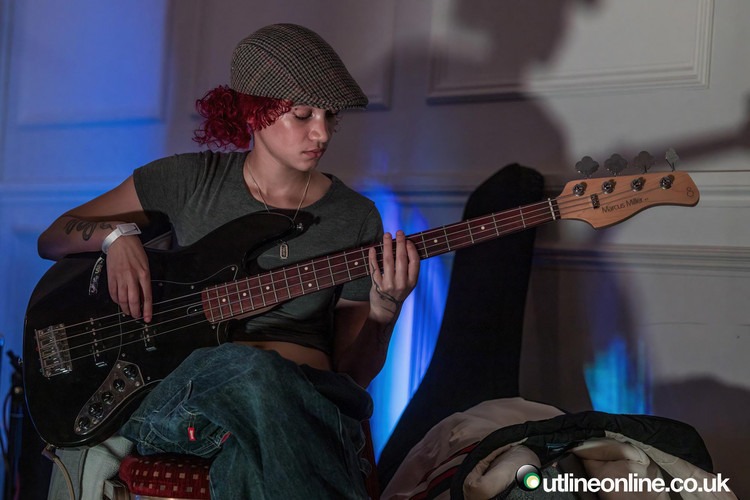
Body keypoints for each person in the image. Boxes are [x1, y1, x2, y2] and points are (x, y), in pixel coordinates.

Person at [38, 23, 420, 499]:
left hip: (306, 401)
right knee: (255, 371)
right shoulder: (188, 180)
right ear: (255, 112)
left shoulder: (355, 216)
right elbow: (53, 236)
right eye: (302, 114)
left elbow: (351, 376)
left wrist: (385, 313)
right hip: (186, 405)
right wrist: (115, 236)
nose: (321, 133)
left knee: (257, 445)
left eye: (330, 116)